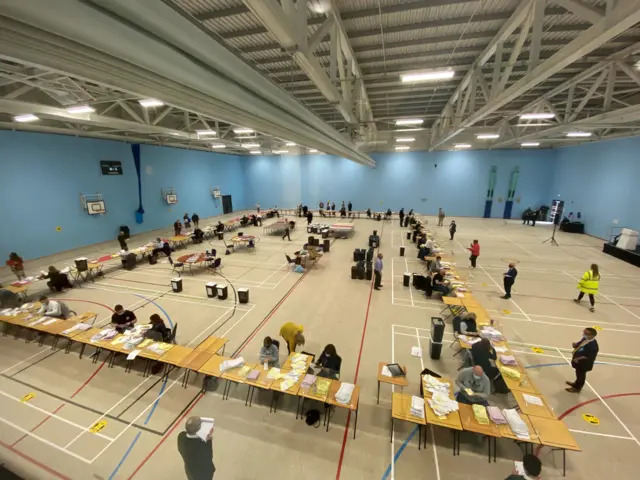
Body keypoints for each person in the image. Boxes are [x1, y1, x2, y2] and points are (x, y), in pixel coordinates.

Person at [565, 327, 599, 393]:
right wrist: (575, 345)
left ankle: (577, 388)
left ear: (592, 335)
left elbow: (588, 356)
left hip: (584, 364)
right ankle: (576, 383)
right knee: (578, 373)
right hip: (578, 361)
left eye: (586, 333)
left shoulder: (593, 346)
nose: (583, 334)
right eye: (584, 332)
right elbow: (580, 344)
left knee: (581, 375)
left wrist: (577, 358)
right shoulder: (585, 339)